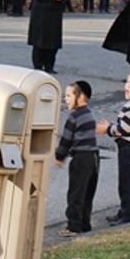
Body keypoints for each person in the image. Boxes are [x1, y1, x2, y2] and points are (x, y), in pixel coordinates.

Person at [97, 71, 130, 225]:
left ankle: (129, 215)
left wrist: (107, 128)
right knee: (124, 183)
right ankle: (124, 211)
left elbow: (123, 129)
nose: (127, 86)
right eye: (127, 82)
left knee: (128, 184)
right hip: (126, 149)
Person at [54, 80, 98, 237]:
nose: (65, 99)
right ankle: (85, 223)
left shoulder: (74, 117)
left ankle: (73, 226)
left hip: (80, 157)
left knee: (76, 192)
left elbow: (66, 140)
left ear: (80, 97)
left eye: (68, 95)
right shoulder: (90, 114)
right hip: (93, 157)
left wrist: (59, 156)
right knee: (87, 192)